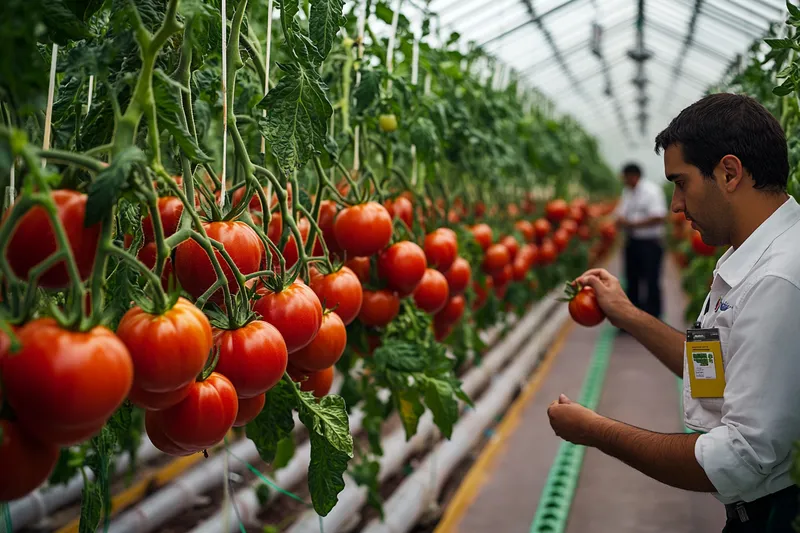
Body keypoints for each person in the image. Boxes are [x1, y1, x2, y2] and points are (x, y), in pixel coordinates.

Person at [547, 93, 800, 533]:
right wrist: (627, 314)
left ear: (729, 173)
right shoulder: (749, 258)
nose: (675, 207)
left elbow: (740, 459)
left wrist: (596, 431)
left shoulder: (779, 280)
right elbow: (714, 369)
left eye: (681, 183)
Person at [614, 162, 668, 320]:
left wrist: (632, 224)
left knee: (651, 279)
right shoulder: (627, 192)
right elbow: (620, 213)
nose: (624, 181)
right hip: (633, 242)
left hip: (650, 243)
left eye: (625, 177)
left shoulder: (651, 191)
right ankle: (633, 317)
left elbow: (659, 216)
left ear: (634, 176)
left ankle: (653, 317)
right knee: (632, 280)